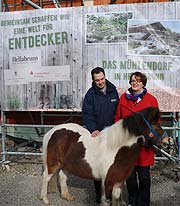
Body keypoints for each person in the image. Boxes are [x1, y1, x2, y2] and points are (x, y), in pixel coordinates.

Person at [114, 71, 159, 206]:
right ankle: (132, 202)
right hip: (128, 145)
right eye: (133, 80)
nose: (134, 83)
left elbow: (156, 122)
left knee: (144, 177)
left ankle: (143, 203)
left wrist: (150, 135)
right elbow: (117, 118)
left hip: (144, 146)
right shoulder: (123, 98)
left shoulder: (151, 100)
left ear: (143, 83)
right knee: (130, 178)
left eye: (138, 81)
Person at [82, 66, 119, 204]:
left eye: (102, 79)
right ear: (93, 80)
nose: (100, 82)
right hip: (98, 136)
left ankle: (111, 194)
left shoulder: (113, 91)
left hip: (112, 136)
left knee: (112, 166)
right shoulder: (90, 95)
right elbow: (87, 114)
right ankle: (99, 196)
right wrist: (93, 129)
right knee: (98, 167)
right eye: (97, 80)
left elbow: (118, 113)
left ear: (105, 77)